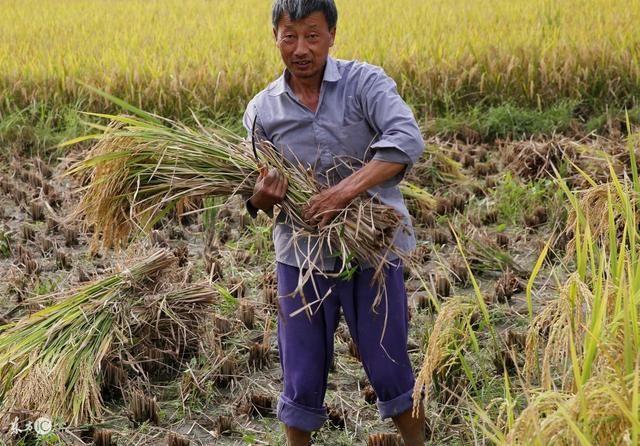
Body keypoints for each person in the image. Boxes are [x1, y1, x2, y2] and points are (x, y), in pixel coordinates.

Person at [242, 1, 426, 444]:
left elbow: (406, 140)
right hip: (301, 258)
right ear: (275, 37)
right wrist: (260, 198)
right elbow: (251, 195)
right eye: (290, 36)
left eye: (312, 34)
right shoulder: (261, 112)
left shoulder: (366, 83)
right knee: (301, 375)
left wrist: (343, 192)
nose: (300, 48)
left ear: (332, 35)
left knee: (388, 365)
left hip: (372, 250)